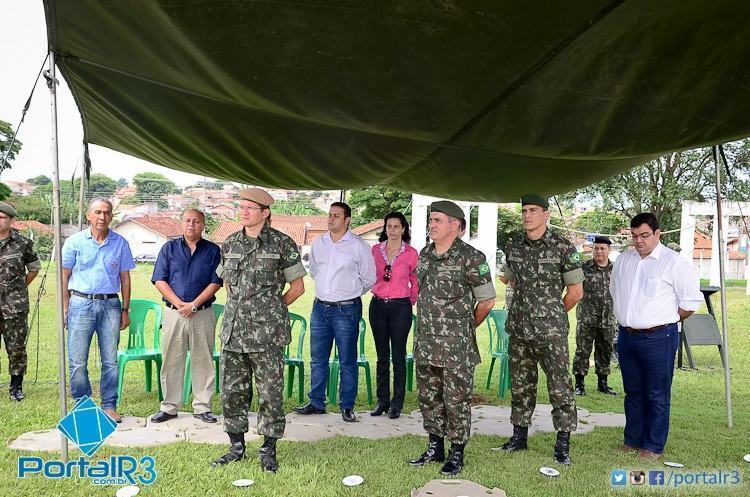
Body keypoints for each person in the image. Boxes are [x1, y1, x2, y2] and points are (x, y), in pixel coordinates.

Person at [211, 188, 306, 472]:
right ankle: (236, 446)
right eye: (242, 207)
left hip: (267, 336)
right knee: (232, 391)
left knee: (270, 394)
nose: (244, 212)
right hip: (233, 333)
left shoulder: (282, 244)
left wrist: (272, 310)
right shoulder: (229, 243)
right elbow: (226, 283)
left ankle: (268, 449)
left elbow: (297, 288)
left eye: (250, 208)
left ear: (265, 213)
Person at [408, 201, 496, 476]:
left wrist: (465, 329)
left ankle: (457, 451)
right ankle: (435, 446)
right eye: (431, 219)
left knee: (456, 399)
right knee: (429, 397)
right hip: (425, 341)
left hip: (456, 347)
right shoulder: (425, 254)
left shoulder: (472, 258)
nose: (431, 224)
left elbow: (487, 301)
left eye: (437, 220)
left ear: (455, 225)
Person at [498, 194, 583, 465]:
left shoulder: (562, 247)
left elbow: (575, 292)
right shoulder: (514, 246)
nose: (527, 215)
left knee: (560, 386)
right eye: (523, 210)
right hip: (520, 330)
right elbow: (508, 280)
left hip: (551, 333)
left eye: (533, 210)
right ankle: (519, 436)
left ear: (546, 214)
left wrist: (552, 314)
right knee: (521, 386)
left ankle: (563, 443)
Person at [610, 213, 702, 459]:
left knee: (657, 393)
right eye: (634, 236)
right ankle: (632, 440)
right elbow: (615, 291)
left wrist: (664, 320)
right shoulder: (623, 260)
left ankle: (653, 446)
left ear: (657, 234)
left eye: (644, 235)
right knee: (633, 391)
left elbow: (690, 303)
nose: (639, 241)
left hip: (659, 337)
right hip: (627, 336)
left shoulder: (673, 262)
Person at [294, 202, 376, 422]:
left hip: (346, 309)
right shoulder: (319, 243)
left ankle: (347, 406)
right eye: (329, 215)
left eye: (336, 216)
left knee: (347, 360)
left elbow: (369, 279)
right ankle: (316, 402)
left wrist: (348, 291)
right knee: (318, 358)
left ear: (347, 220)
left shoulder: (359, 246)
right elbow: (314, 271)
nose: (330, 219)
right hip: (320, 307)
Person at [62, 198, 135, 423]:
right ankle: (82, 405)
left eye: (106, 213)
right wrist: (65, 307)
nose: (102, 217)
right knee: (78, 360)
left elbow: (125, 278)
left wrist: (125, 309)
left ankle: (109, 405)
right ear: (88, 216)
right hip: (80, 304)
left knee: (110, 360)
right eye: (97, 212)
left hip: (110, 306)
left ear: (111, 216)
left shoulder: (120, 243)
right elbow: (64, 276)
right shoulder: (74, 242)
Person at [150, 209, 222, 424]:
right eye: (188, 220)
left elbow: (216, 282)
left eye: (197, 221)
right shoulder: (168, 248)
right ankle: (170, 407)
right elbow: (159, 280)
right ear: (182, 223)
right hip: (174, 314)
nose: (191, 224)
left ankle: (202, 407)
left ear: (203, 225)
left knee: (203, 360)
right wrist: (180, 304)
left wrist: (193, 304)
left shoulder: (213, 250)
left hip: (202, 314)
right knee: (172, 360)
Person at [368, 212, 418, 420]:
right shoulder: (375, 251)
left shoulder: (412, 253)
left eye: (396, 226)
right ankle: (382, 401)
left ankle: (397, 403)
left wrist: (411, 299)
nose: (392, 230)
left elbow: (415, 279)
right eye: (389, 226)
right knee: (381, 357)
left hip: (400, 306)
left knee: (398, 356)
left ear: (403, 229)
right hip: (378, 305)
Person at [0, 201, 40, 401]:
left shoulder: (23, 243)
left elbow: (33, 268)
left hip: (14, 306)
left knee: (16, 348)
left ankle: (16, 387)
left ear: (11, 220)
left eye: (2, 218)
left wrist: (19, 288)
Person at [572, 236, 617, 396]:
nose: (599, 252)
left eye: (602, 249)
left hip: (608, 319)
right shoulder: (584, 268)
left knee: (605, 351)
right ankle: (579, 384)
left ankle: (603, 384)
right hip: (587, 319)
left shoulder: (616, 270)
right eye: (596, 248)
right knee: (582, 351)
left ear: (608, 250)